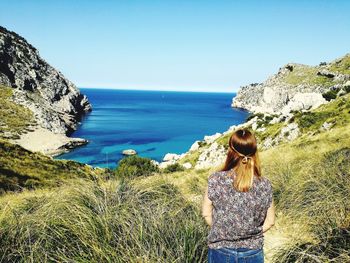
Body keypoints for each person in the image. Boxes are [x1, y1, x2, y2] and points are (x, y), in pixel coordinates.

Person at [202, 128, 275, 263]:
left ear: (231, 151)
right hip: (253, 251)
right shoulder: (265, 184)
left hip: (220, 249)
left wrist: (222, 231)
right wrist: (251, 233)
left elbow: (206, 214)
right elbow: (270, 221)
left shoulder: (215, 179)